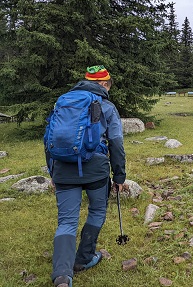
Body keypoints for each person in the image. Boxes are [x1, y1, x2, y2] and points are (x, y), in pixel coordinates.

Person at [45, 66, 126, 287]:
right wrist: (119, 176)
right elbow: (116, 143)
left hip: (63, 167)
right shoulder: (107, 106)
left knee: (66, 222)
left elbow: (48, 139)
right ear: (104, 84)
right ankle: (83, 259)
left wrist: (53, 171)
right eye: (108, 85)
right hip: (96, 169)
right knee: (97, 210)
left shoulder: (62, 102)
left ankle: (62, 276)